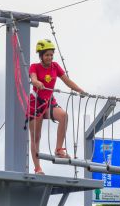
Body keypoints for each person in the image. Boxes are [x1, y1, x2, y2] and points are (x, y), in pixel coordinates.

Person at [27, 39, 86, 175]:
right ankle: (38, 168)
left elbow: (67, 81)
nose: (50, 57)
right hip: (35, 103)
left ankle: (59, 149)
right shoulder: (34, 66)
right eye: (47, 55)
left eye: (51, 55)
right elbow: (33, 78)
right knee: (36, 137)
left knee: (63, 116)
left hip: (48, 102)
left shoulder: (55, 66)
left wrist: (80, 90)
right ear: (41, 55)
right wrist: (36, 83)